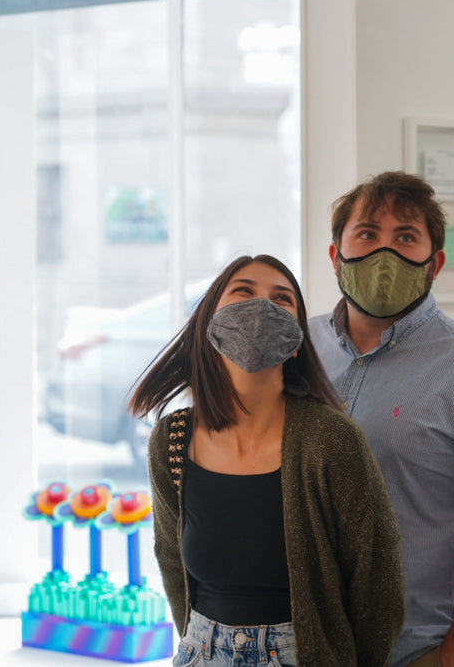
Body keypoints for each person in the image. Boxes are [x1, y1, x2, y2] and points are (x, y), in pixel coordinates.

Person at [130, 254, 404, 666]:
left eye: (282, 299)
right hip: (201, 651)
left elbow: (376, 581)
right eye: (243, 292)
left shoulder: (331, 439)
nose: (261, 307)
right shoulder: (171, 438)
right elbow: (171, 559)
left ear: (296, 340)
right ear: (209, 323)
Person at [308, 171, 454, 667]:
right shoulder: (300, 348)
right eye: (367, 234)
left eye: (405, 237)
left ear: (434, 263)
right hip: (305, 645)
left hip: (414, 651)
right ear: (335, 254)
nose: (385, 253)